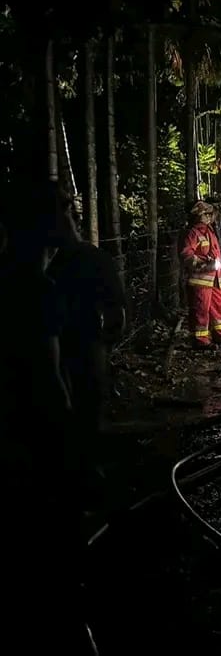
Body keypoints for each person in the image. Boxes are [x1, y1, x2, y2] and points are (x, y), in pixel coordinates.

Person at [1, 182, 98, 654]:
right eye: (65, 210)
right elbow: (47, 385)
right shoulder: (33, 291)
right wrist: (72, 456)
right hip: (31, 453)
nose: (73, 217)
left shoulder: (27, 282)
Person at [46, 187, 126, 492]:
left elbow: (117, 315)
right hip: (83, 346)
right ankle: (84, 475)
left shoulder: (51, 266)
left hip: (77, 346)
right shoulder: (90, 259)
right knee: (83, 408)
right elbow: (117, 315)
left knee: (80, 409)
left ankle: (81, 475)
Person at [178, 200, 221, 350]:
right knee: (200, 310)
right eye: (207, 214)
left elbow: (217, 255)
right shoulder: (193, 233)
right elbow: (186, 255)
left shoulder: (210, 231)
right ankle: (201, 340)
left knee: (219, 306)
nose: (210, 217)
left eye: (210, 214)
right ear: (199, 216)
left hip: (215, 277)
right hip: (201, 280)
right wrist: (204, 262)